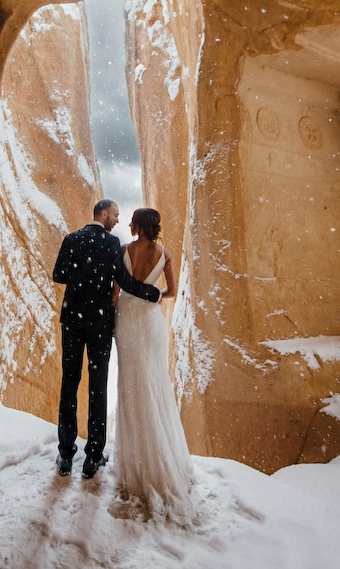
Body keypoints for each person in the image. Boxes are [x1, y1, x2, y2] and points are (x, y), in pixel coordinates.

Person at [53, 199, 161, 479]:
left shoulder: (72, 238)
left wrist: (81, 278)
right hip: (99, 323)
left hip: (72, 320)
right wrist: (151, 294)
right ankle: (93, 456)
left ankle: (65, 455)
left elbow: (59, 275)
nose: (116, 220)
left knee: (69, 383)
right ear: (102, 213)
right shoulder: (112, 243)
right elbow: (123, 280)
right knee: (97, 386)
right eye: (114, 215)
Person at [113, 207, 194, 524]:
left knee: (131, 385)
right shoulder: (166, 255)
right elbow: (171, 292)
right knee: (155, 382)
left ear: (137, 225)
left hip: (127, 321)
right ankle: (163, 460)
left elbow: (115, 292)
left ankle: (137, 465)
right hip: (149, 322)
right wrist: (153, 294)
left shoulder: (123, 251)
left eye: (132, 221)